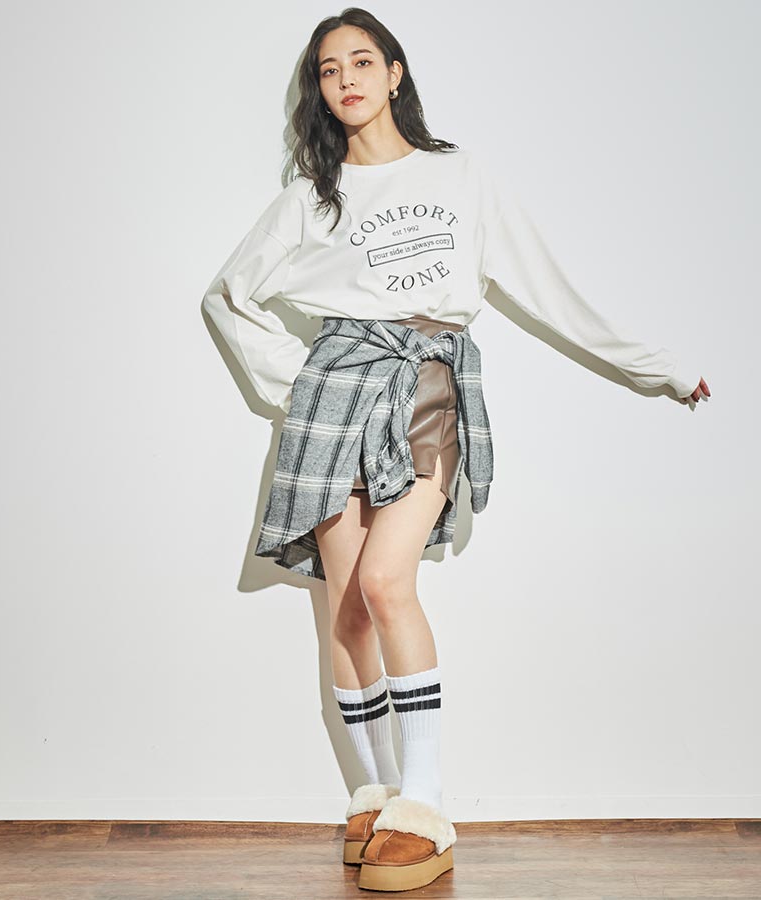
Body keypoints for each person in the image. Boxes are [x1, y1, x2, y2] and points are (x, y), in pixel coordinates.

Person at [201, 7, 710, 892]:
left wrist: (656, 367)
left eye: (362, 61)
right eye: (329, 69)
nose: (346, 80)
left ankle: (425, 804)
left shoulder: (459, 175)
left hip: (426, 386)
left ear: (395, 72)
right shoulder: (313, 195)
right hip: (337, 390)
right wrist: (301, 381)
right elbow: (227, 295)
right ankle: (373, 797)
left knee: (386, 581)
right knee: (346, 610)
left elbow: (547, 288)